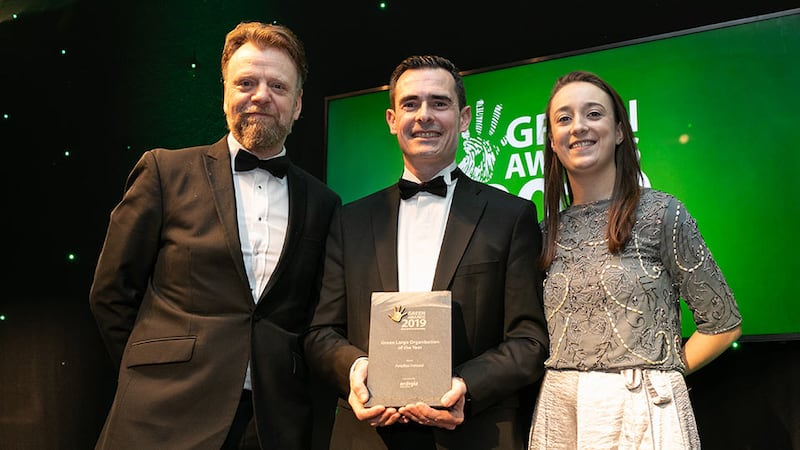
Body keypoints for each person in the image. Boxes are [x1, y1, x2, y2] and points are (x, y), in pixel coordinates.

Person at [89, 21, 341, 450]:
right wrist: (150, 372)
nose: (261, 95)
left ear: (297, 105)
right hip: (160, 415)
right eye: (246, 82)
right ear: (225, 92)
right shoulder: (163, 172)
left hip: (271, 424)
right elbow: (111, 292)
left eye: (278, 87)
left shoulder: (323, 202)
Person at [302, 54, 549, 450]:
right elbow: (320, 333)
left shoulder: (511, 216)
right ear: (391, 119)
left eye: (439, 103)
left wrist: (465, 386)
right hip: (367, 436)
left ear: (464, 117)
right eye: (410, 104)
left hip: (474, 434)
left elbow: (529, 339)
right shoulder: (349, 220)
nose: (424, 116)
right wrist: (357, 369)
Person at [528, 70, 743, 449]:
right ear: (552, 141)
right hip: (561, 409)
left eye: (593, 114)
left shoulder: (663, 213)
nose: (578, 127)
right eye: (564, 118)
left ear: (620, 131)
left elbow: (723, 323)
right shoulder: (544, 232)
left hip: (644, 409)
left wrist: (662, 377)